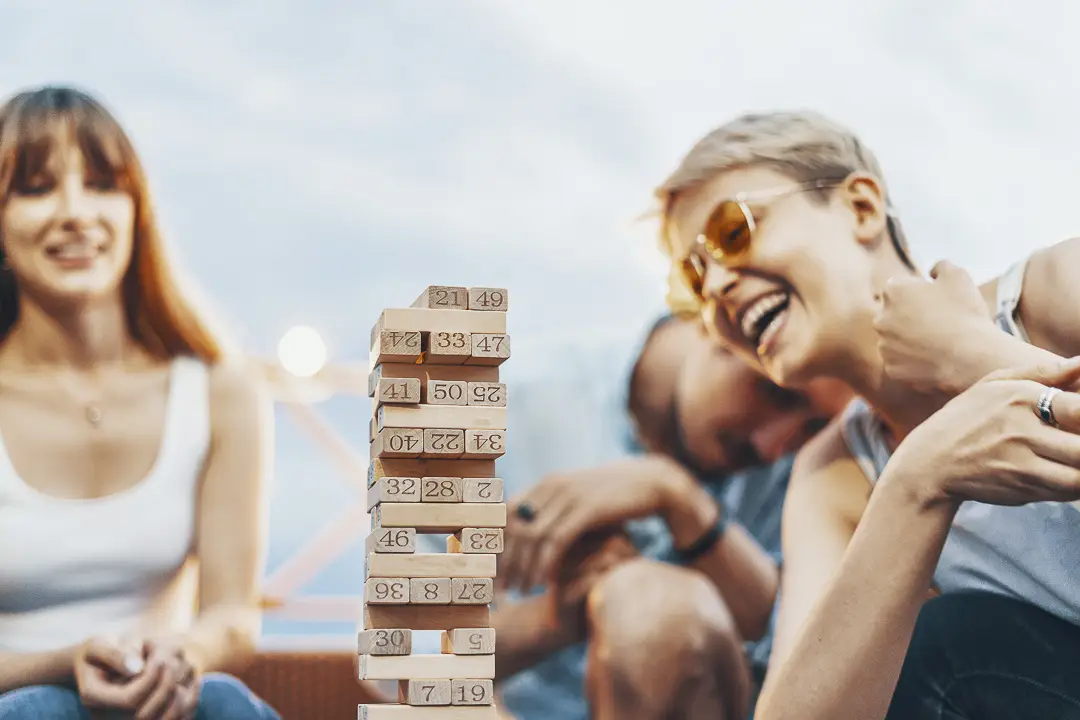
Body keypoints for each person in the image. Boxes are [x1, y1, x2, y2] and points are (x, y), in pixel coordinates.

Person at [654, 109, 1080, 718]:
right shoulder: (835, 474)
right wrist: (915, 482)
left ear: (860, 207)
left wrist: (974, 358)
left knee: (949, 645)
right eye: (694, 280)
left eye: (731, 231)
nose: (717, 284)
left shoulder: (1053, 292)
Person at [0, 86, 280, 719]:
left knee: (222, 700)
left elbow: (233, 617)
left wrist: (181, 657)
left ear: (136, 210)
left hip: (163, 706)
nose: (75, 213)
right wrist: (68, 662)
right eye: (38, 188)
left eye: (102, 185)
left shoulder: (223, 392)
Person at [496, 313, 848, 719]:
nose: (770, 445)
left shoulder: (809, 466)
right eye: (776, 393)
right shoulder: (507, 411)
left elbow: (811, 662)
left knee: (654, 604)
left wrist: (680, 499)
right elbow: (431, 652)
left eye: (814, 427)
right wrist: (552, 620)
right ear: (717, 316)